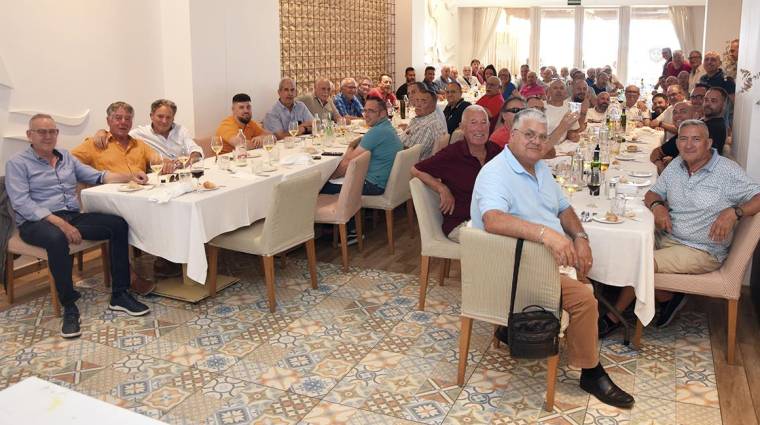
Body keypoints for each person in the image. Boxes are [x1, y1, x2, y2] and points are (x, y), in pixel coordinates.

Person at [470, 109, 635, 409]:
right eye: (529, 135)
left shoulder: (539, 167)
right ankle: (590, 371)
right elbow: (493, 219)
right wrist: (549, 235)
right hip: (511, 268)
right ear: (512, 135)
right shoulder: (497, 173)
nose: (536, 142)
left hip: (538, 259)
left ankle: (537, 330)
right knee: (585, 299)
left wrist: (580, 238)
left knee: (585, 266)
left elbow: (563, 208)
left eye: (542, 137)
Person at [604, 120, 760, 330]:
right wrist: (658, 205)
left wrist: (735, 212)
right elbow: (652, 192)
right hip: (668, 236)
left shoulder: (727, 171)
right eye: (683, 139)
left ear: (709, 143)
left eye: (696, 139)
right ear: (677, 143)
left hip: (701, 250)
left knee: (641, 261)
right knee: (623, 242)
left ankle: (613, 318)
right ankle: (667, 297)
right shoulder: (677, 165)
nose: (689, 145)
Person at [6, 114, 152, 338]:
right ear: (30, 135)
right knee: (56, 239)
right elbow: (22, 203)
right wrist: (60, 225)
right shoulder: (17, 163)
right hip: (36, 222)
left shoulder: (65, 156)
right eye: (41, 132)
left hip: (71, 216)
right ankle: (69, 305)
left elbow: (97, 176)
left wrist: (131, 176)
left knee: (118, 224)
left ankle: (120, 294)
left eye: (52, 131)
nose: (47, 136)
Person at [411, 105, 502, 241]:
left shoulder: (495, 151)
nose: (480, 128)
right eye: (473, 123)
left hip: (492, 218)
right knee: (507, 241)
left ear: (489, 126)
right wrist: (441, 187)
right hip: (462, 224)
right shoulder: (452, 154)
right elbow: (415, 169)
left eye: (484, 122)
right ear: (462, 127)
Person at [90, 99, 203, 171]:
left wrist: (187, 163)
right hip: (160, 176)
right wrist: (102, 131)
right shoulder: (139, 133)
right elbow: (119, 132)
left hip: (184, 172)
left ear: (173, 118)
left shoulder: (181, 130)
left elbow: (196, 150)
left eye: (168, 117)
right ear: (151, 116)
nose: (164, 121)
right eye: (160, 116)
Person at [322, 96, 402, 197]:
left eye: (371, 111)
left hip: (373, 185)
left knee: (321, 187)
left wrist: (329, 177)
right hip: (383, 180)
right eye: (365, 111)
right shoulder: (387, 127)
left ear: (382, 113)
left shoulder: (376, 132)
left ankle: (337, 212)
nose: (366, 115)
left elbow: (348, 164)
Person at [72, 102, 155, 176]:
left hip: (141, 190)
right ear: (108, 121)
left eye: (128, 119)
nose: (123, 122)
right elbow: (68, 161)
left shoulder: (140, 145)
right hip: (109, 191)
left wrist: (167, 163)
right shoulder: (95, 143)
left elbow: (158, 161)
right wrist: (91, 178)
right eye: (118, 118)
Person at [400, 88, 448, 160]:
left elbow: (410, 154)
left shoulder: (427, 126)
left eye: (424, 101)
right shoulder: (426, 118)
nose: (418, 104)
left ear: (433, 106)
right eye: (417, 100)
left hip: (409, 166)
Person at [649, 101, 694, 174]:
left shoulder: (697, 137)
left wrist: (663, 173)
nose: (678, 115)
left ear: (695, 115)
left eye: (683, 112)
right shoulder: (682, 135)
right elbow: (655, 153)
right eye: (675, 112)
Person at [544, 80, 582, 144]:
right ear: (549, 91)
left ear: (565, 92)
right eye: (555, 88)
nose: (558, 90)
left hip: (562, 148)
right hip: (544, 147)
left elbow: (572, 130)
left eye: (561, 88)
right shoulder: (541, 106)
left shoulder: (571, 107)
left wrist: (571, 135)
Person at [701, 87, 729, 154]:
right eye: (706, 100)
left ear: (724, 105)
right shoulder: (704, 122)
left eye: (713, 101)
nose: (708, 104)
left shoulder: (715, 127)